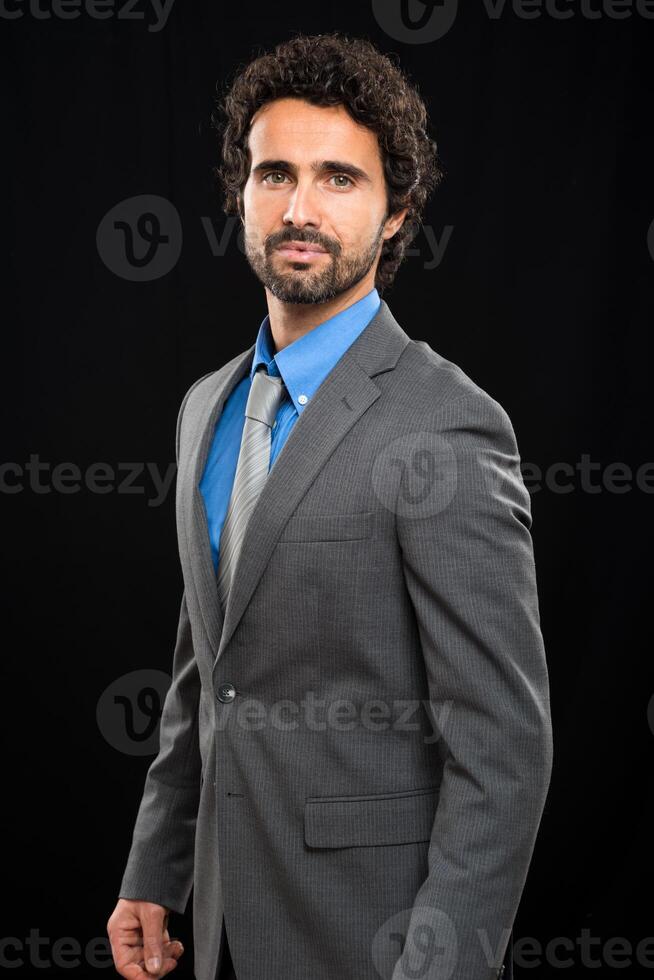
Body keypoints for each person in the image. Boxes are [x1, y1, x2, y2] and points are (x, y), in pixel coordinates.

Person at [107, 31, 553, 980]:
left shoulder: (450, 426)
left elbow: (504, 751)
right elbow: (205, 669)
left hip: (372, 939)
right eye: (275, 174)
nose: (299, 209)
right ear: (242, 195)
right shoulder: (206, 407)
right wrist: (156, 869)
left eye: (339, 179)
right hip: (225, 922)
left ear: (396, 214)